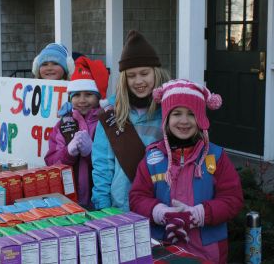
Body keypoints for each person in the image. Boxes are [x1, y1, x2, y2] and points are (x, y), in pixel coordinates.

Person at [129, 79, 244, 263]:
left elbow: (233, 199)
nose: (184, 121)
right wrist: (160, 212)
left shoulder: (216, 156)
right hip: (163, 248)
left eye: (191, 114)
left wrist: (200, 214)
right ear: (166, 118)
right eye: (176, 113)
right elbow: (137, 197)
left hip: (208, 251)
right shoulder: (152, 158)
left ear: (201, 118)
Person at [91, 30, 171, 212]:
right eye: (131, 75)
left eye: (144, 73)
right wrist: (102, 207)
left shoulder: (170, 111)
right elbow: (102, 164)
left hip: (162, 207)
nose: (139, 81)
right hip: (121, 208)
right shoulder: (112, 114)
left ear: (156, 73)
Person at [45, 56, 109, 209]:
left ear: (98, 97)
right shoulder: (63, 124)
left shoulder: (105, 123)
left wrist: (91, 153)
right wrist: (68, 153)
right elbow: (51, 162)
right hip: (69, 200)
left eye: (88, 94)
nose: (82, 100)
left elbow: (110, 162)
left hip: (99, 199)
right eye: (77, 95)